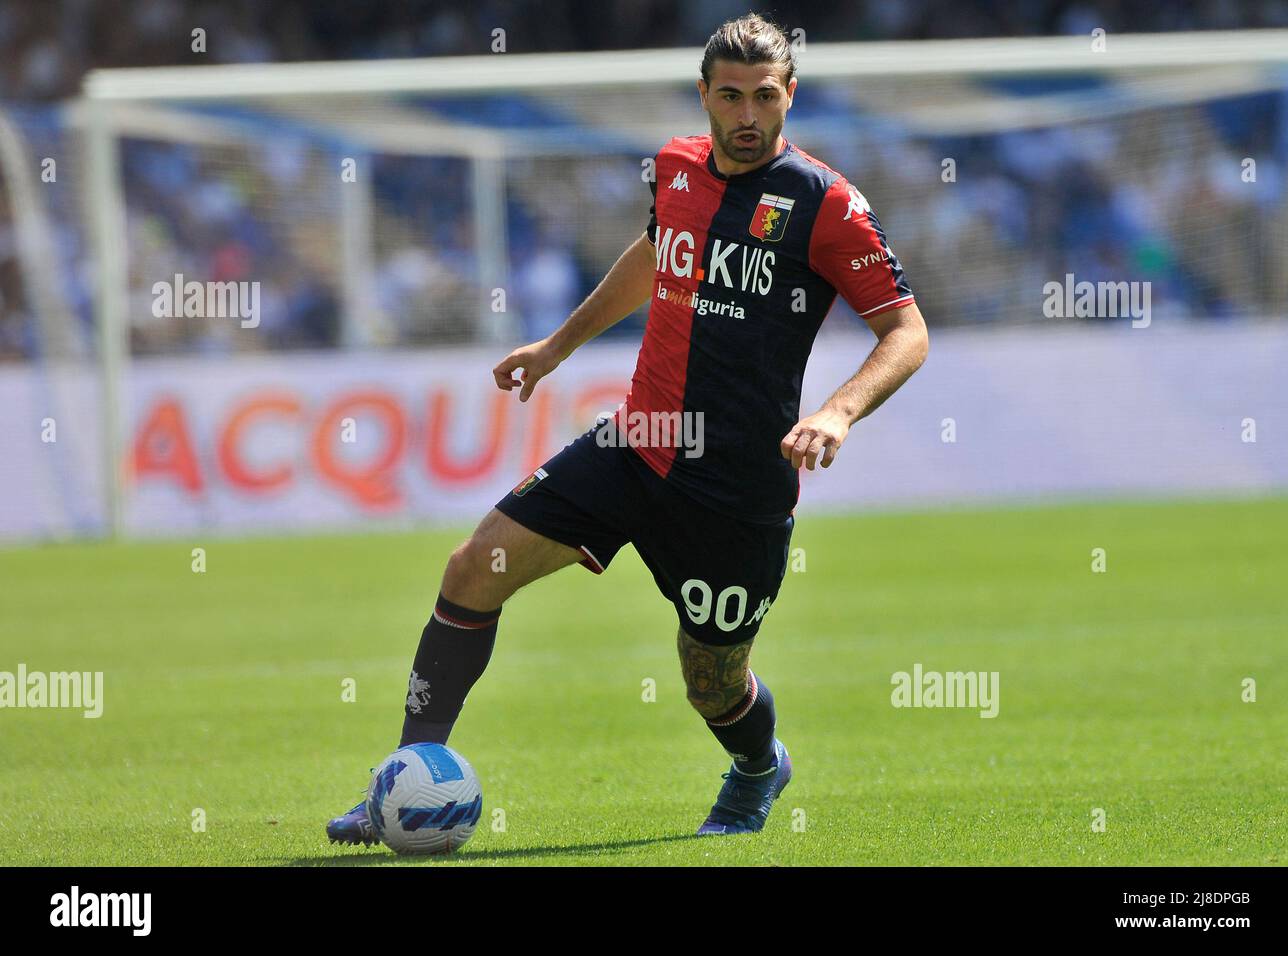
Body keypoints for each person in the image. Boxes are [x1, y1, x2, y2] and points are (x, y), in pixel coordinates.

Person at [328, 12, 928, 843]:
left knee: (711, 683)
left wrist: (836, 410)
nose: (748, 116)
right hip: (634, 445)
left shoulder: (828, 205)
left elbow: (907, 331)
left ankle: (759, 765)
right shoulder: (677, 168)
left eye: (764, 97)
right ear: (705, 96)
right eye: (730, 97)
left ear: (791, 93)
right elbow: (655, 255)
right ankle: (400, 783)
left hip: (734, 487)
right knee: (472, 570)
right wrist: (555, 347)